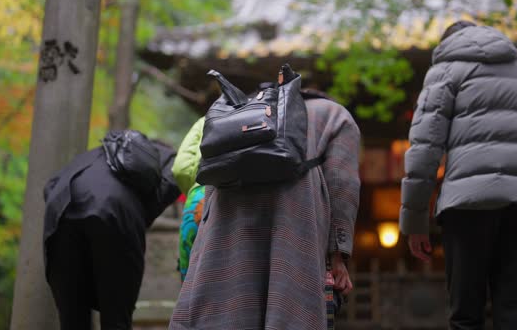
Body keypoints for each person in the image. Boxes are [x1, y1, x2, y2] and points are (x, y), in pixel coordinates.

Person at [399, 21, 517, 329]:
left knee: (465, 316)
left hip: (466, 208)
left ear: (447, 45)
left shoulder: (444, 73)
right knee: (516, 316)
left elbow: (424, 151)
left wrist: (415, 221)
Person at [169, 93, 361, 330]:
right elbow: (343, 185)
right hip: (293, 228)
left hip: (225, 231)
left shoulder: (237, 113)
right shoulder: (335, 115)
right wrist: (338, 255)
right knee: (289, 308)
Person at [43, 130, 181, 330]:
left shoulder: (101, 151)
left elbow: (50, 187)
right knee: (116, 316)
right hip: (115, 211)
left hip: (62, 204)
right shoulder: (169, 161)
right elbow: (158, 199)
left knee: (71, 316)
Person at [171, 117, 207, 282]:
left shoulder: (207, 119)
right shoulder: (275, 113)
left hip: (200, 197)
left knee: (190, 279)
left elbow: (181, 169)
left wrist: (193, 188)